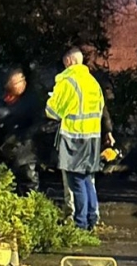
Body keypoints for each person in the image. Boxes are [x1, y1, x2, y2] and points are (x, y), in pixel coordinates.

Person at [45, 47, 114, 231]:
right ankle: (92, 219)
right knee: (87, 179)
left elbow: (53, 112)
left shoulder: (67, 82)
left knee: (76, 182)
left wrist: (50, 100)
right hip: (92, 138)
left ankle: (80, 224)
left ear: (68, 62)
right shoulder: (93, 83)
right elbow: (101, 110)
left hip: (74, 138)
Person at [0, 68, 48, 196]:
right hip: (8, 150)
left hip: (26, 151)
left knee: (29, 184)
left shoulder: (31, 100)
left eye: (21, 80)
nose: (20, 83)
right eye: (16, 81)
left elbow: (39, 123)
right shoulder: (3, 99)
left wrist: (23, 135)